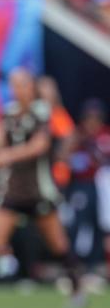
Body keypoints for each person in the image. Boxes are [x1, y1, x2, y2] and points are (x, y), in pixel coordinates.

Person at [0, 68, 86, 308]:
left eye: (23, 84)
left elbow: (40, 146)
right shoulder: (8, 113)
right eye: (14, 85)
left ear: (31, 87)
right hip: (11, 188)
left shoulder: (42, 112)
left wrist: (6, 156)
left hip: (39, 188)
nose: (18, 90)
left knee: (58, 243)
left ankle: (77, 290)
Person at [63, 100, 110, 269]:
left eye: (96, 117)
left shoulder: (105, 135)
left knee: (101, 225)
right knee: (78, 222)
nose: (92, 121)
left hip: (103, 186)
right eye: (89, 117)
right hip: (82, 185)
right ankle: (75, 263)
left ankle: (95, 263)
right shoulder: (78, 135)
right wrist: (75, 140)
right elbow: (64, 156)